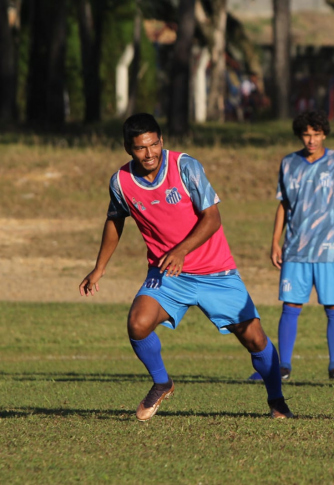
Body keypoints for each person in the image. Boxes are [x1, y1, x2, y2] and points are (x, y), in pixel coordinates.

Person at [79, 113, 293, 421]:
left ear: (162, 141)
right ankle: (162, 382)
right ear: (128, 148)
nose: (149, 153)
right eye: (141, 147)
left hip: (215, 271)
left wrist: (180, 251)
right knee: (138, 324)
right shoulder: (122, 182)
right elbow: (115, 221)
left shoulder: (184, 167)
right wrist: (99, 267)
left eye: (154, 144)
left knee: (255, 339)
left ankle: (277, 399)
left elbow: (212, 217)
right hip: (167, 275)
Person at [249, 110, 334, 381]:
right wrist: (275, 242)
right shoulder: (289, 163)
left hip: (330, 249)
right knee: (290, 306)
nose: (311, 139)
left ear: (324, 134)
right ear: (300, 135)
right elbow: (283, 205)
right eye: (306, 134)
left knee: (333, 307)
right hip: (295, 249)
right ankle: (283, 366)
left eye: (317, 134)